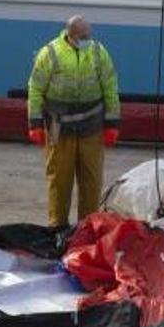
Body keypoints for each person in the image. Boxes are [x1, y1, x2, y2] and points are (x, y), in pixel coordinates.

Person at [26, 15, 122, 229]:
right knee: (59, 180)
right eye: (84, 37)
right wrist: (34, 123)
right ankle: (57, 227)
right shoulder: (50, 54)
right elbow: (35, 89)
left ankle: (87, 227)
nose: (89, 40)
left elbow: (110, 86)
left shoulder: (98, 52)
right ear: (72, 36)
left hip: (91, 127)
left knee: (92, 180)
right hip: (58, 128)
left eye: (89, 35)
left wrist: (112, 123)